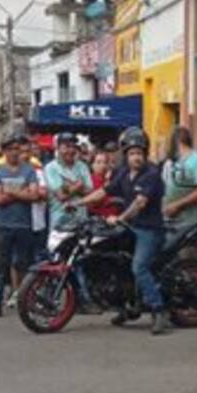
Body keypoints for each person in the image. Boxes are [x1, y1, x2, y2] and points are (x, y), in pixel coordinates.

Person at [79, 127, 170, 335]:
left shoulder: (152, 174)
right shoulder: (122, 173)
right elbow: (103, 191)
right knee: (116, 263)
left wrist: (120, 218)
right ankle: (126, 306)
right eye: (132, 153)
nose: (136, 157)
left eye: (139, 153)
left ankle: (158, 310)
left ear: (145, 154)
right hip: (130, 228)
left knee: (138, 267)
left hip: (150, 230)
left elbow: (139, 203)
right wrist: (78, 202)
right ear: (125, 154)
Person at [0, 133, 46, 318]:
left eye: (16, 149)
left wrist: (11, 192)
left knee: (24, 265)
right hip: (3, 224)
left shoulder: (29, 169)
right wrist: (21, 192)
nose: (14, 152)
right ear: (4, 151)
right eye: (10, 149)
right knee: (0, 266)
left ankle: (26, 301)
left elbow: (35, 196)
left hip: (23, 225)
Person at [162, 127, 197, 228]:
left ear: (177, 142)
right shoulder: (172, 161)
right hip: (170, 220)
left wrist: (177, 205)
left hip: (189, 222)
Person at [45, 133, 93, 231]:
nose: (70, 150)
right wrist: (78, 185)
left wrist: (68, 186)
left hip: (81, 219)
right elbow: (61, 196)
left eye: (73, 146)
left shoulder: (82, 166)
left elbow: (90, 192)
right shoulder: (51, 168)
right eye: (66, 147)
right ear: (57, 148)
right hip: (59, 220)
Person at [88, 151, 118, 219]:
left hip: (115, 218)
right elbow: (94, 202)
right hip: (100, 219)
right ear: (92, 165)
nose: (102, 165)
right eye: (98, 162)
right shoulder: (89, 180)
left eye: (105, 162)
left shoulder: (112, 178)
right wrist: (107, 182)